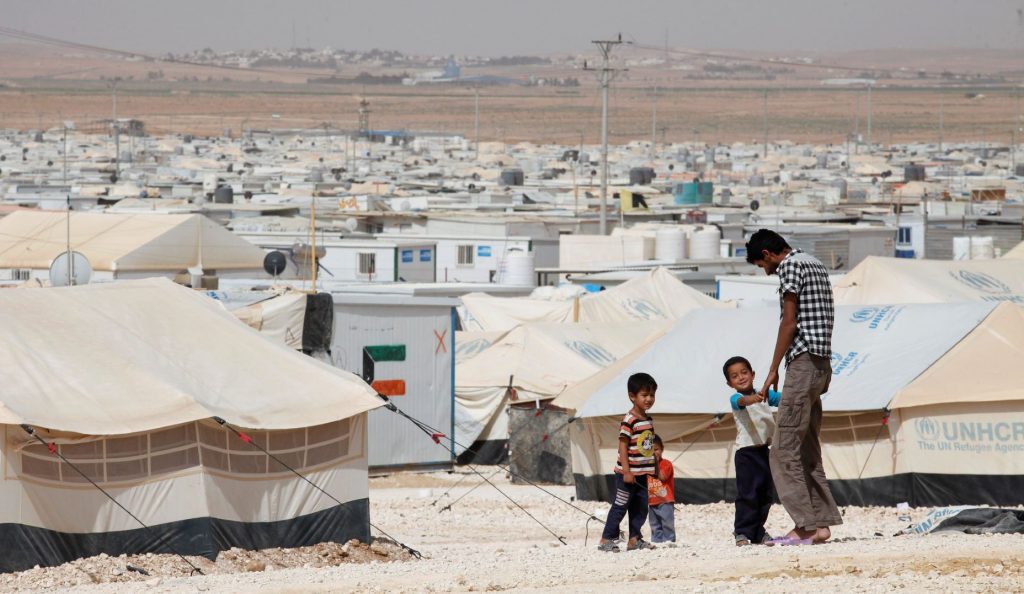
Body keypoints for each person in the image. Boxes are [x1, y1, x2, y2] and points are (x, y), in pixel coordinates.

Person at [745, 229, 842, 545]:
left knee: (783, 449)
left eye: (763, 265)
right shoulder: (814, 262)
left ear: (768, 254)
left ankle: (805, 525)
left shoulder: (789, 266)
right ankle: (821, 523)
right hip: (822, 364)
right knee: (807, 447)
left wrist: (773, 368)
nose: (766, 271)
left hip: (803, 363)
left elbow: (789, 322)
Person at [597, 372, 658, 552]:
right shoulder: (629, 420)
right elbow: (623, 446)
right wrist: (627, 471)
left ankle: (634, 539)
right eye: (644, 395)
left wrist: (655, 468)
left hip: (643, 474)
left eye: (652, 395)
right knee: (620, 505)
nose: (649, 399)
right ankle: (606, 538)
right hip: (627, 475)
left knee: (640, 507)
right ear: (632, 396)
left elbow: (649, 446)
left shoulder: (648, 420)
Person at [724, 356, 781, 546]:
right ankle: (741, 531)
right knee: (747, 493)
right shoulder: (736, 398)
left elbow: (784, 398)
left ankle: (758, 531)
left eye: (744, 372)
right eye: (734, 376)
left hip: (764, 451)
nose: (741, 377)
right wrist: (754, 398)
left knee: (765, 494)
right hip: (746, 454)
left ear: (752, 374)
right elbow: (743, 401)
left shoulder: (765, 394)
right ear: (730, 383)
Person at [646, 435, 676, 544]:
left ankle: (669, 541)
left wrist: (655, 463)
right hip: (652, 501)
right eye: (650, 451)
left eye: (656, 449)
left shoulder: (666, 464)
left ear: (662, 449)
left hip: (665, 501)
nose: (654, 453)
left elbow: (662, 477)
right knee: (654, 524)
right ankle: (657, 542)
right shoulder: (646, 467)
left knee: (667, 523)